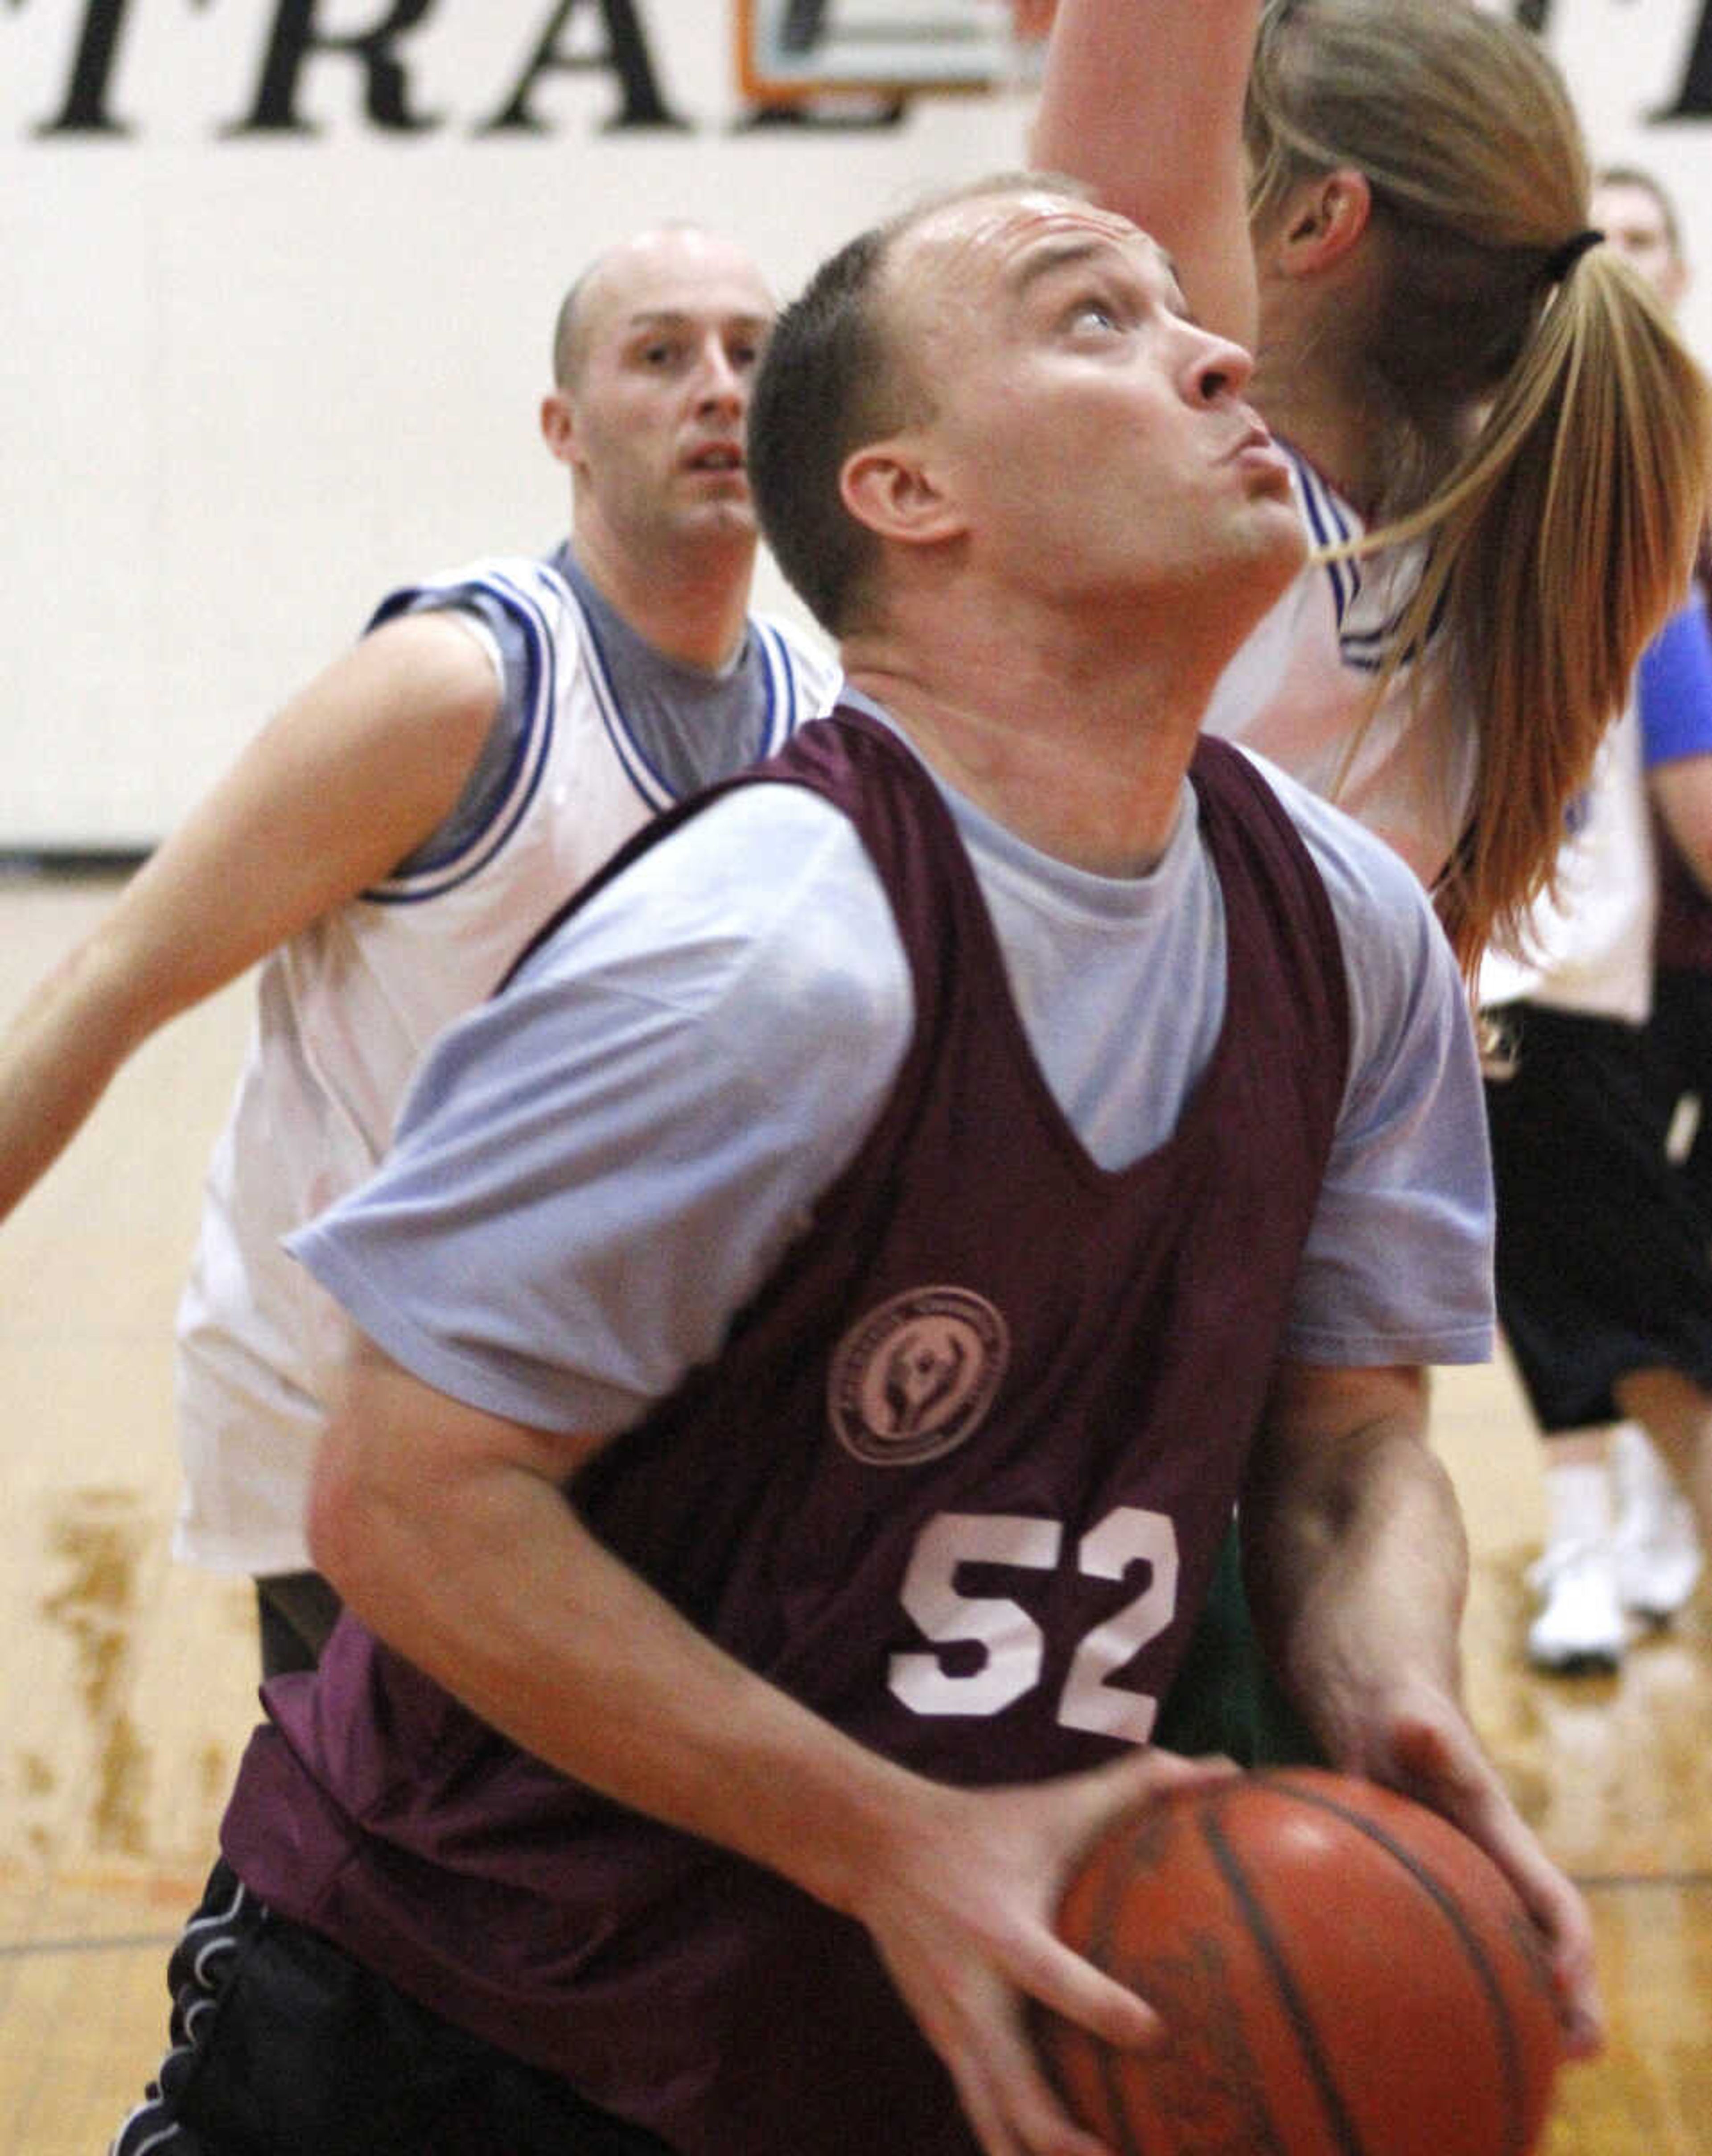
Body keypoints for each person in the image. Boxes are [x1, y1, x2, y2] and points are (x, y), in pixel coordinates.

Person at [113, 174, 1598, 2156]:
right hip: (464, 2015)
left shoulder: (1346, 927)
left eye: (1188, 312)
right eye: (1095, 320)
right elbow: (403, 1502)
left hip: (914, 2015)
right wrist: (892, 1833)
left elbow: (1347, 1444)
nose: (1223, 352)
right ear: (907, 495)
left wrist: (1391, 1685)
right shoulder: (766, 948)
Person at [0, 223, 840, 1676]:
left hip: (638, 1420)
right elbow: (113, 979)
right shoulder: (453, 692)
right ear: (563, 430)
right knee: (397, 1883)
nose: (717, 388)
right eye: (661, 355)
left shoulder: (823, 711)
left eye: (751, 354)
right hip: (358, 1420)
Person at [1032, 0, 1712, 973]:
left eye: (1228, 161)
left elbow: (1103, 181)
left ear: (1319, 221)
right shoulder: (1500, 560)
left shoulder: (1200, 523)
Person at [1482, 166, 1712, 1671]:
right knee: (1543, 1245)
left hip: (1685, 939)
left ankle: (1660, 1499)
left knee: (1659, 1255)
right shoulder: (1508, 472)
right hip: (1569, 945)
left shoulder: (1679, 493)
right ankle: (1592, 1528)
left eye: (1645, 241)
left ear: (1680, 274)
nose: (1618, 267)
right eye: (1595, 244)